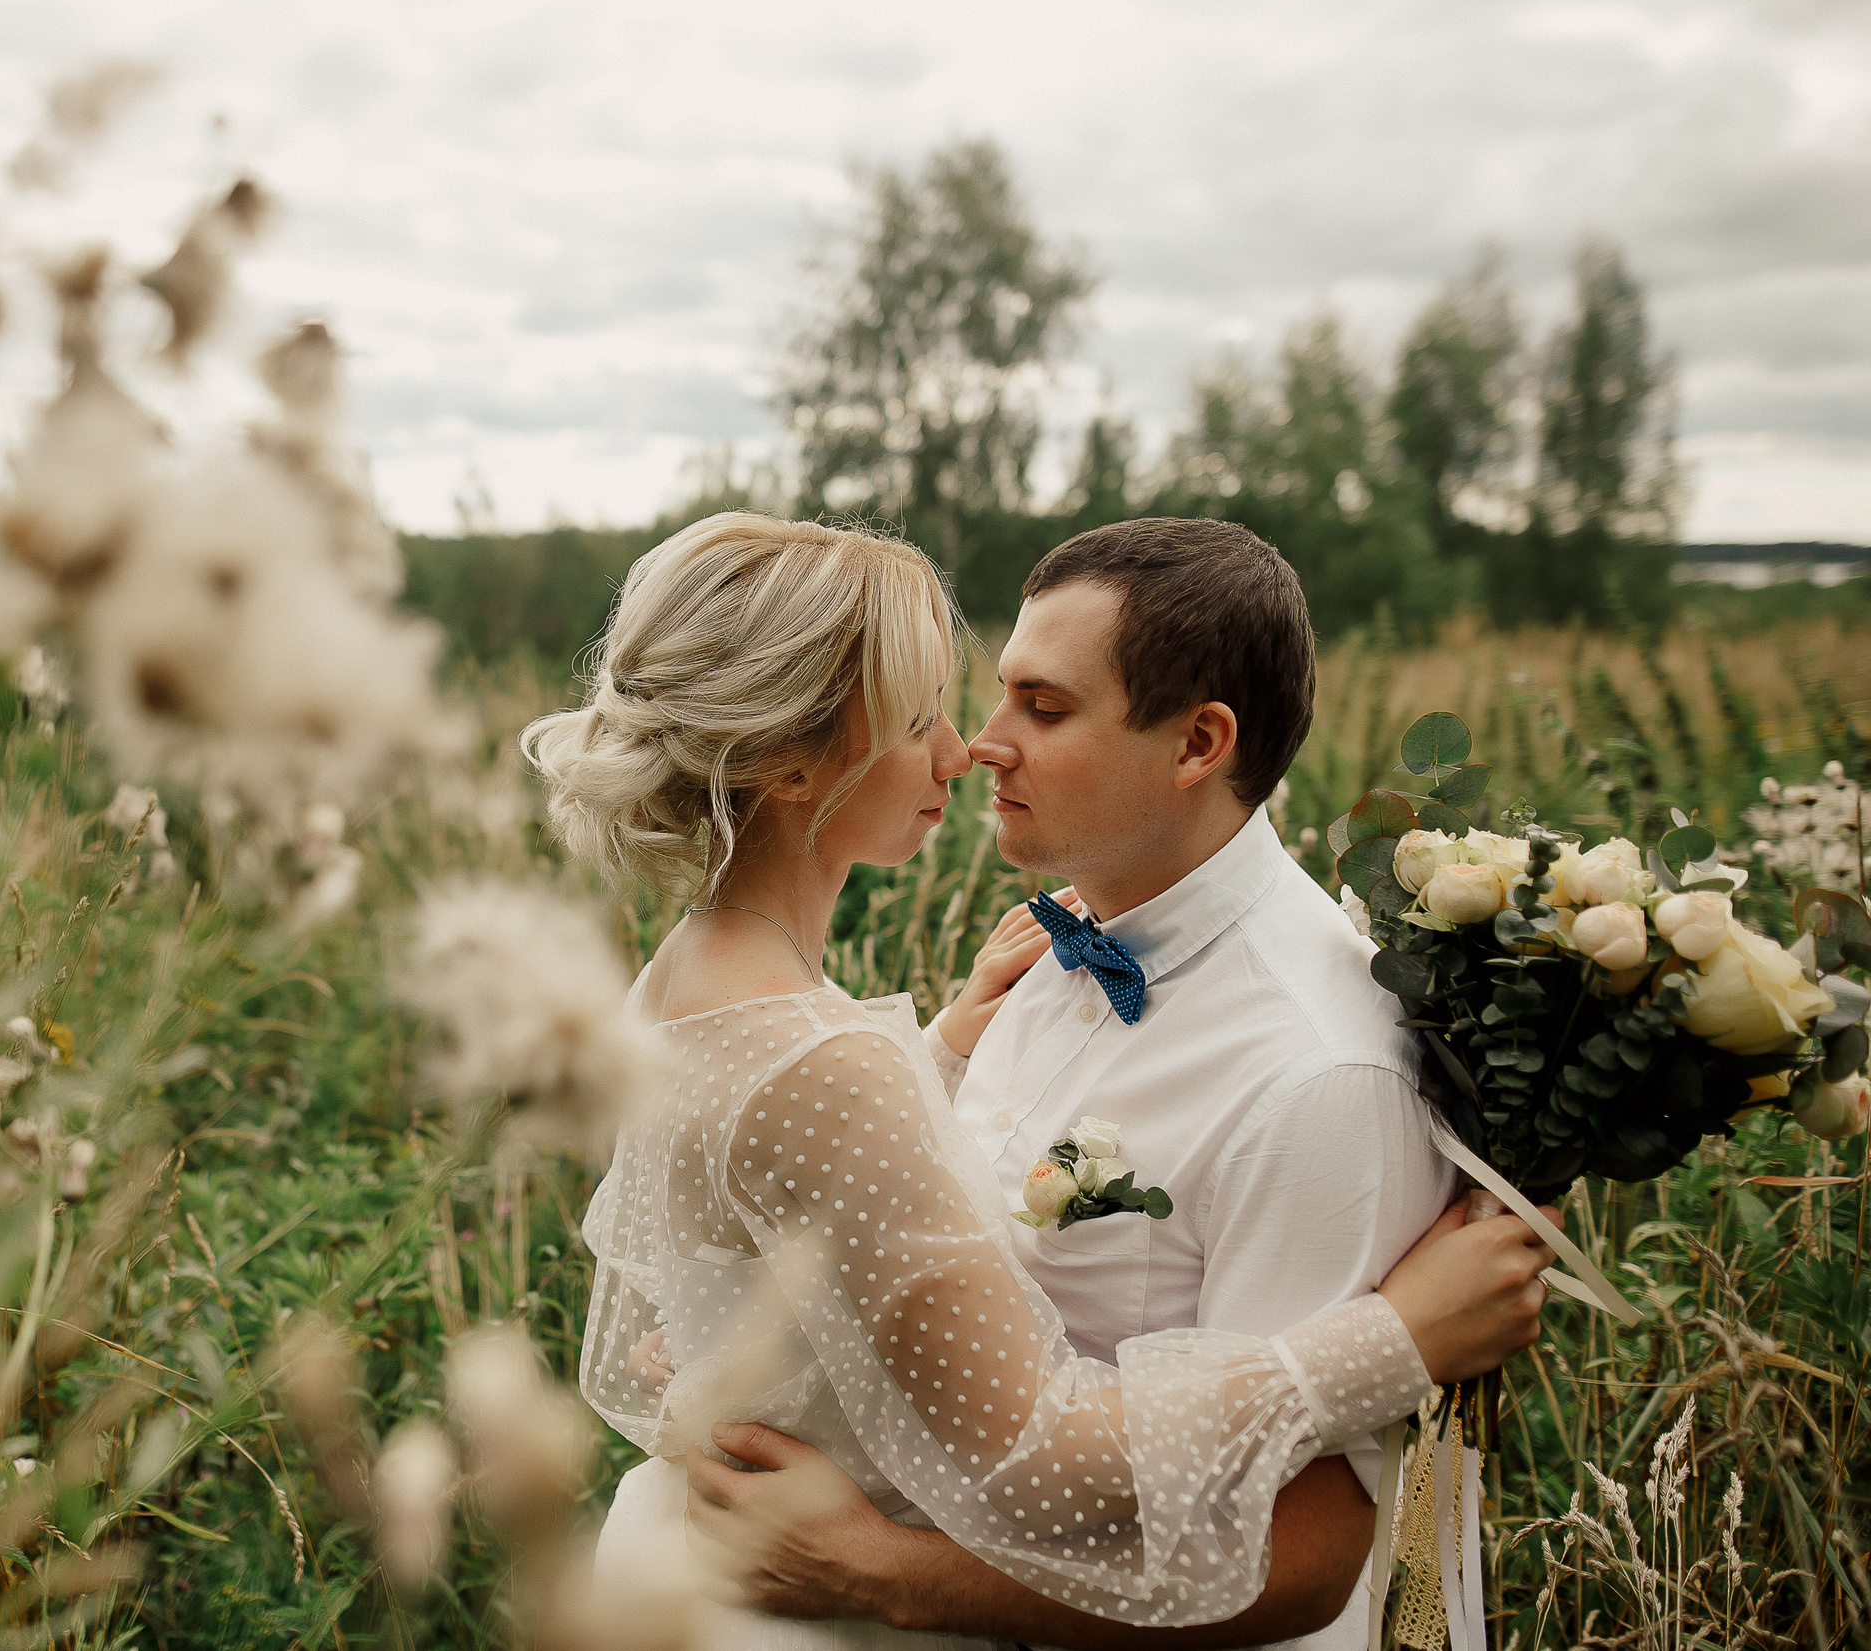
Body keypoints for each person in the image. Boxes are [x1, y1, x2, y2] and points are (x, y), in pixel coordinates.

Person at [522, 513, 1554, 1649]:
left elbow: (1297, 1560)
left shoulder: (1321, 1074)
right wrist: (1394, 1340)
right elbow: (974, 1363)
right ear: (790, 763)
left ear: (1199, 744)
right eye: (927, 713)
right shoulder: (980, 983)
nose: (971, 746)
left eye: (1042, 707)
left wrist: (885, 1560)